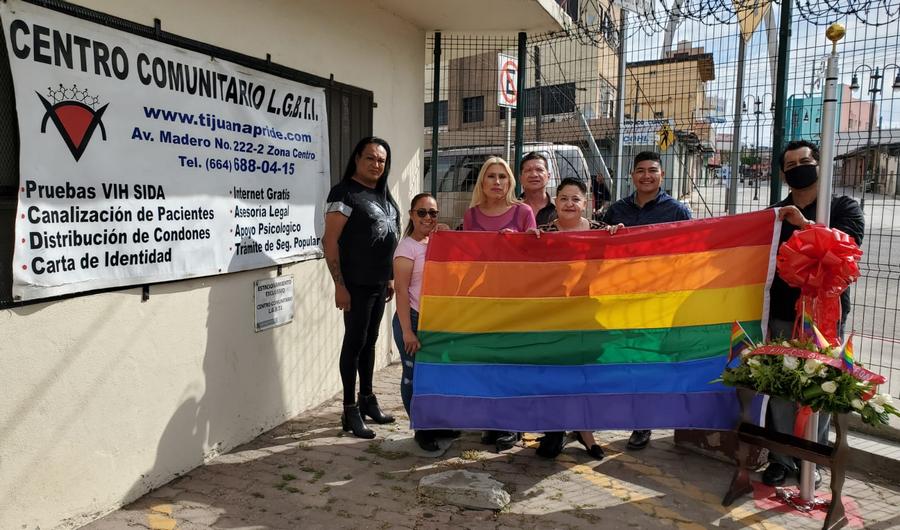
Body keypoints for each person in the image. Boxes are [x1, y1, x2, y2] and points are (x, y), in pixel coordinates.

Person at [762, 140, 865, 487]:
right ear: (783, 173)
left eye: (805, 161)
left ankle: (811, 458)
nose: (799, 168)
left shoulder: (843, 207)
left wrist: (805, 224)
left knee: (820, 386)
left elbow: (846, 250)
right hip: (780, 312)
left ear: (819, 164)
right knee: (779, 385)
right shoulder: (775, 214)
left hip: (824, 317)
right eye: (790, 165)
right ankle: (779, 458)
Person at [603, 150, 692, 451]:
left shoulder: (677, 212)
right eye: (640, 171)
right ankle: (620, 413)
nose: (646, 176)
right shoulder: (616, 211)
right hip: (622, 297)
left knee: (650, 360)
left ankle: (643, 423)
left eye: (652, 170)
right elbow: (601, 250)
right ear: (632, 176)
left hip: (659, 298)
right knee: (625, 358)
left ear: (662, 175)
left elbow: (691, 253)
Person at [534, 177, 622, 460]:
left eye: (576, 199)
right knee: (555, 376)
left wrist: (619, 236)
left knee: (586, 375)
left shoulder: (601, 232)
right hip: (555, 320)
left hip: (590, 318)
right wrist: (517, 241)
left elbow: (619, 264)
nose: (569, 204)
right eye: (564, 198)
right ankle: (554, 430)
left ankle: (586, 432)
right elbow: (524, 265)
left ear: (586, 204)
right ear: (555, 202)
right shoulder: (543, 233)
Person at [323, 136, 400, 439]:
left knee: (370, 342)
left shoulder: (382, 193)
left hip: (380, 282)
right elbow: (329, 242)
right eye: (370, 158)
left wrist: (390, 276)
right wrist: (339, 285)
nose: (376, 164)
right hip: (355, 283)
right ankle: (349, 408)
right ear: (357, 158)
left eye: (381, 160)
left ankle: (368, 399)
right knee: (354, 344)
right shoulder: (344, 193)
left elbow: (387, 238)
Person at [464, 156, 537, 451]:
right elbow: (468, 258)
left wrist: (519, 241)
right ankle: (491, 421)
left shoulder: (523, 212)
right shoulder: (472, 215)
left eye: (502, 177)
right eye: (491, 176)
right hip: (485, 298)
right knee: (488, 361)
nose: (497, 182)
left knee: (513, 362)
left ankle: (512, 424)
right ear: (482, 182)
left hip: (517, 299)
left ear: (510, 182)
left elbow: (534, 258)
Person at [392, 193, 455, 451]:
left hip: (436, 321)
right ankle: (421, 428)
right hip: (414, 319)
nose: (428, 218)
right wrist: (408, 331)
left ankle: (436, 423)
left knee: (434, 376)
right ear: (411, 215)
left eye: (433, 213)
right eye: (422, 212)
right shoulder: (407, 248)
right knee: (414, 377)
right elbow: (401, 291)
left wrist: (448, 234)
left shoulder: (436, 242)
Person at [519, 151, 558, 226]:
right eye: (528, 170)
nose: (534, 174)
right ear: (520, 178)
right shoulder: (511, 209)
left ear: (548, 176)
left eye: (539, 170)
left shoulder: (559, 209)